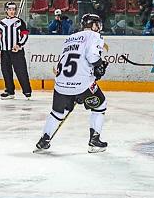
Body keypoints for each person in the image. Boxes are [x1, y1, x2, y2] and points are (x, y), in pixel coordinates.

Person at [35, 14, 108, 153]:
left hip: (61, 83)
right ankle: (94, 141)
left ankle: (44, 140)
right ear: (93, 25)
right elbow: (92, 57)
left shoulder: (70, 37)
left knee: (57, 112)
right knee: (100, 105)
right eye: (97, 24)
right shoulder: (94, 36)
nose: (98, 27)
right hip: (82, 84)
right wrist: (99, 67)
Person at [0, 2, 32, 100]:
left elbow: (25, 35)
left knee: (21, 71)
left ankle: (27, 91)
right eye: (10, 9)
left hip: (17, 51)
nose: (12, 11)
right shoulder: (1, 23)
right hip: (5, 52)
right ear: (6, 10)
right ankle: (10, 91)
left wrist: (19, 45)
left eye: (14, 9)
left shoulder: (19, 22)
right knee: (6, 72)